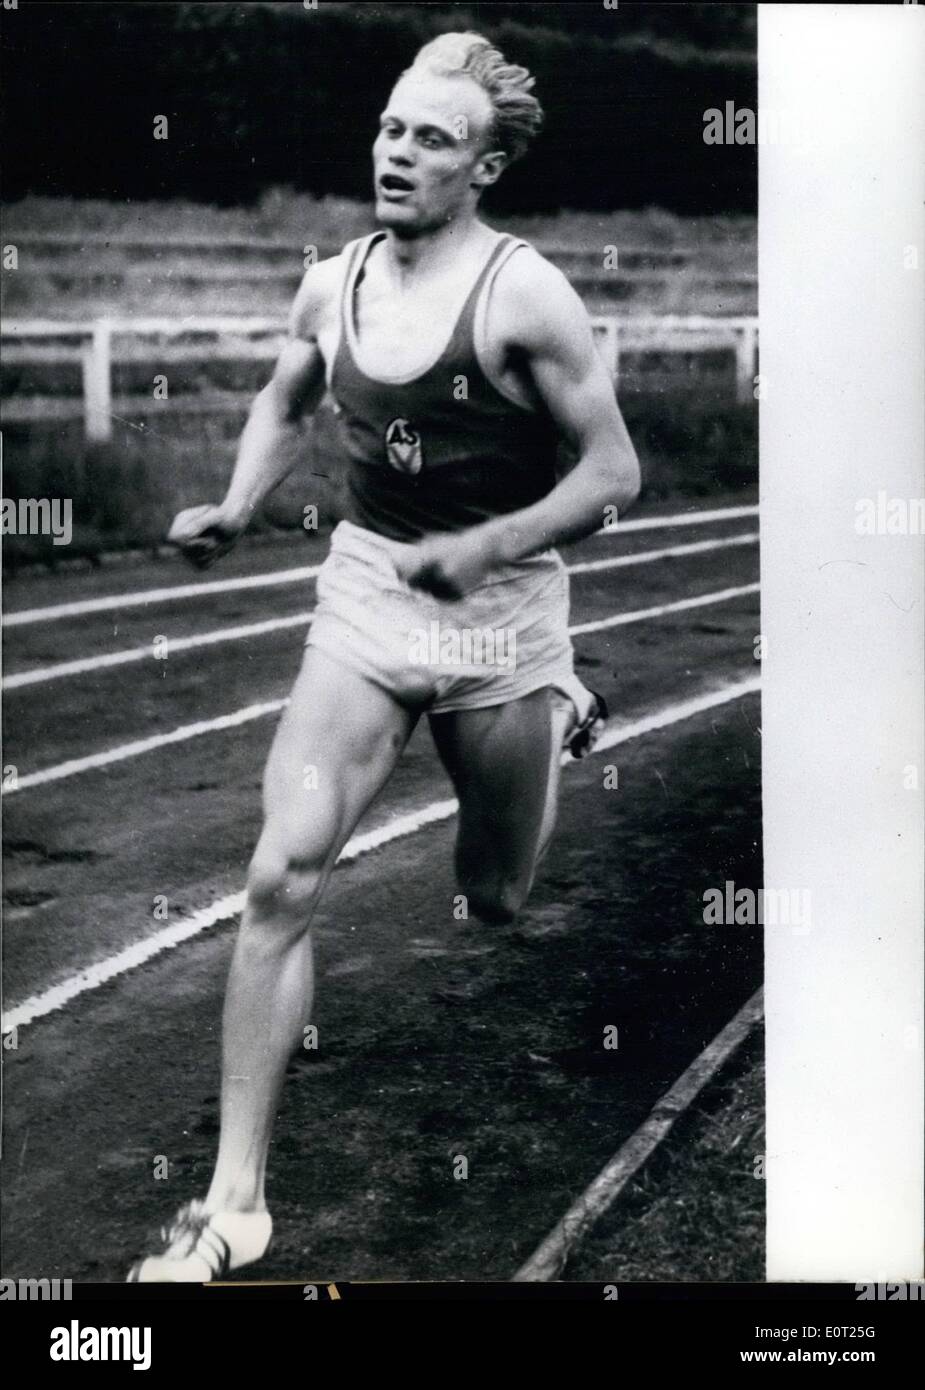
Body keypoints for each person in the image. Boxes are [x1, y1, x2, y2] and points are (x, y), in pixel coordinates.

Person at [128, 30, 640, 1281]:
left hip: (498, 610)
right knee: (279, 877)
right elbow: (288, 399)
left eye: (434, 139)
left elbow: (615, 471)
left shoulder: (524, 297)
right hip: (367, 591)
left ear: (484, 169)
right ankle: (231, 1204)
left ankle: (559, 697)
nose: (400, 153)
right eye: (392, 127)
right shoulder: (331, 281)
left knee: (497, 897)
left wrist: (492, 545)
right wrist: (242, 505)